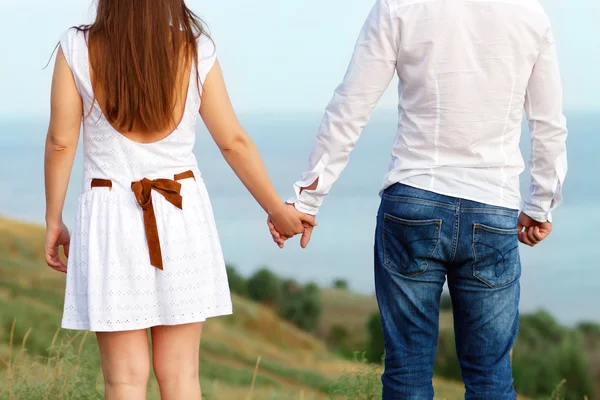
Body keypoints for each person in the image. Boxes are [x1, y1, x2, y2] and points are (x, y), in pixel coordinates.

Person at [270, 0, 568, 398]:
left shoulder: (398, 5)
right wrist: (540, 203)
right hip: (492, 208)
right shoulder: (530, 12)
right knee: (491, 378)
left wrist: (308, 198)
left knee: (407, 371)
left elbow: (350, 106)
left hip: (413, 204)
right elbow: (548, 123)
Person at [43, 1, 315, 399]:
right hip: (181, 214)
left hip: (108, 218)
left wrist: (54, 219)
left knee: (122, 381)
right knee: (182, 376)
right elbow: (233, 142)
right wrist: (277, 210)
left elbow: (60, 142)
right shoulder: (194, 48)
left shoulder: (78, 47)